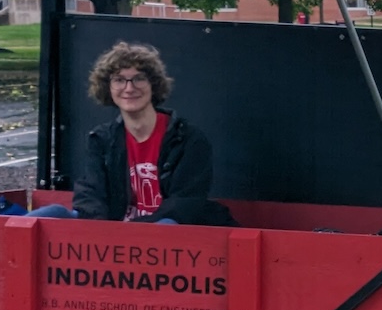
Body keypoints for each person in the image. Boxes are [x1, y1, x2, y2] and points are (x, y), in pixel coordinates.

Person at [31, 42, 235, 225]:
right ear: (108, 87)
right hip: (115, 229)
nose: (129, 88)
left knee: (167, 226)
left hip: (167, 232)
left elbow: (184, 203)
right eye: (119, 80)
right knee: (54, 212)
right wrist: (101, 231)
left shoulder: (188, 139)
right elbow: (90, 193)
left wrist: (134, 231)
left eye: (139, 79)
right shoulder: (102, 139)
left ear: (153, 85)